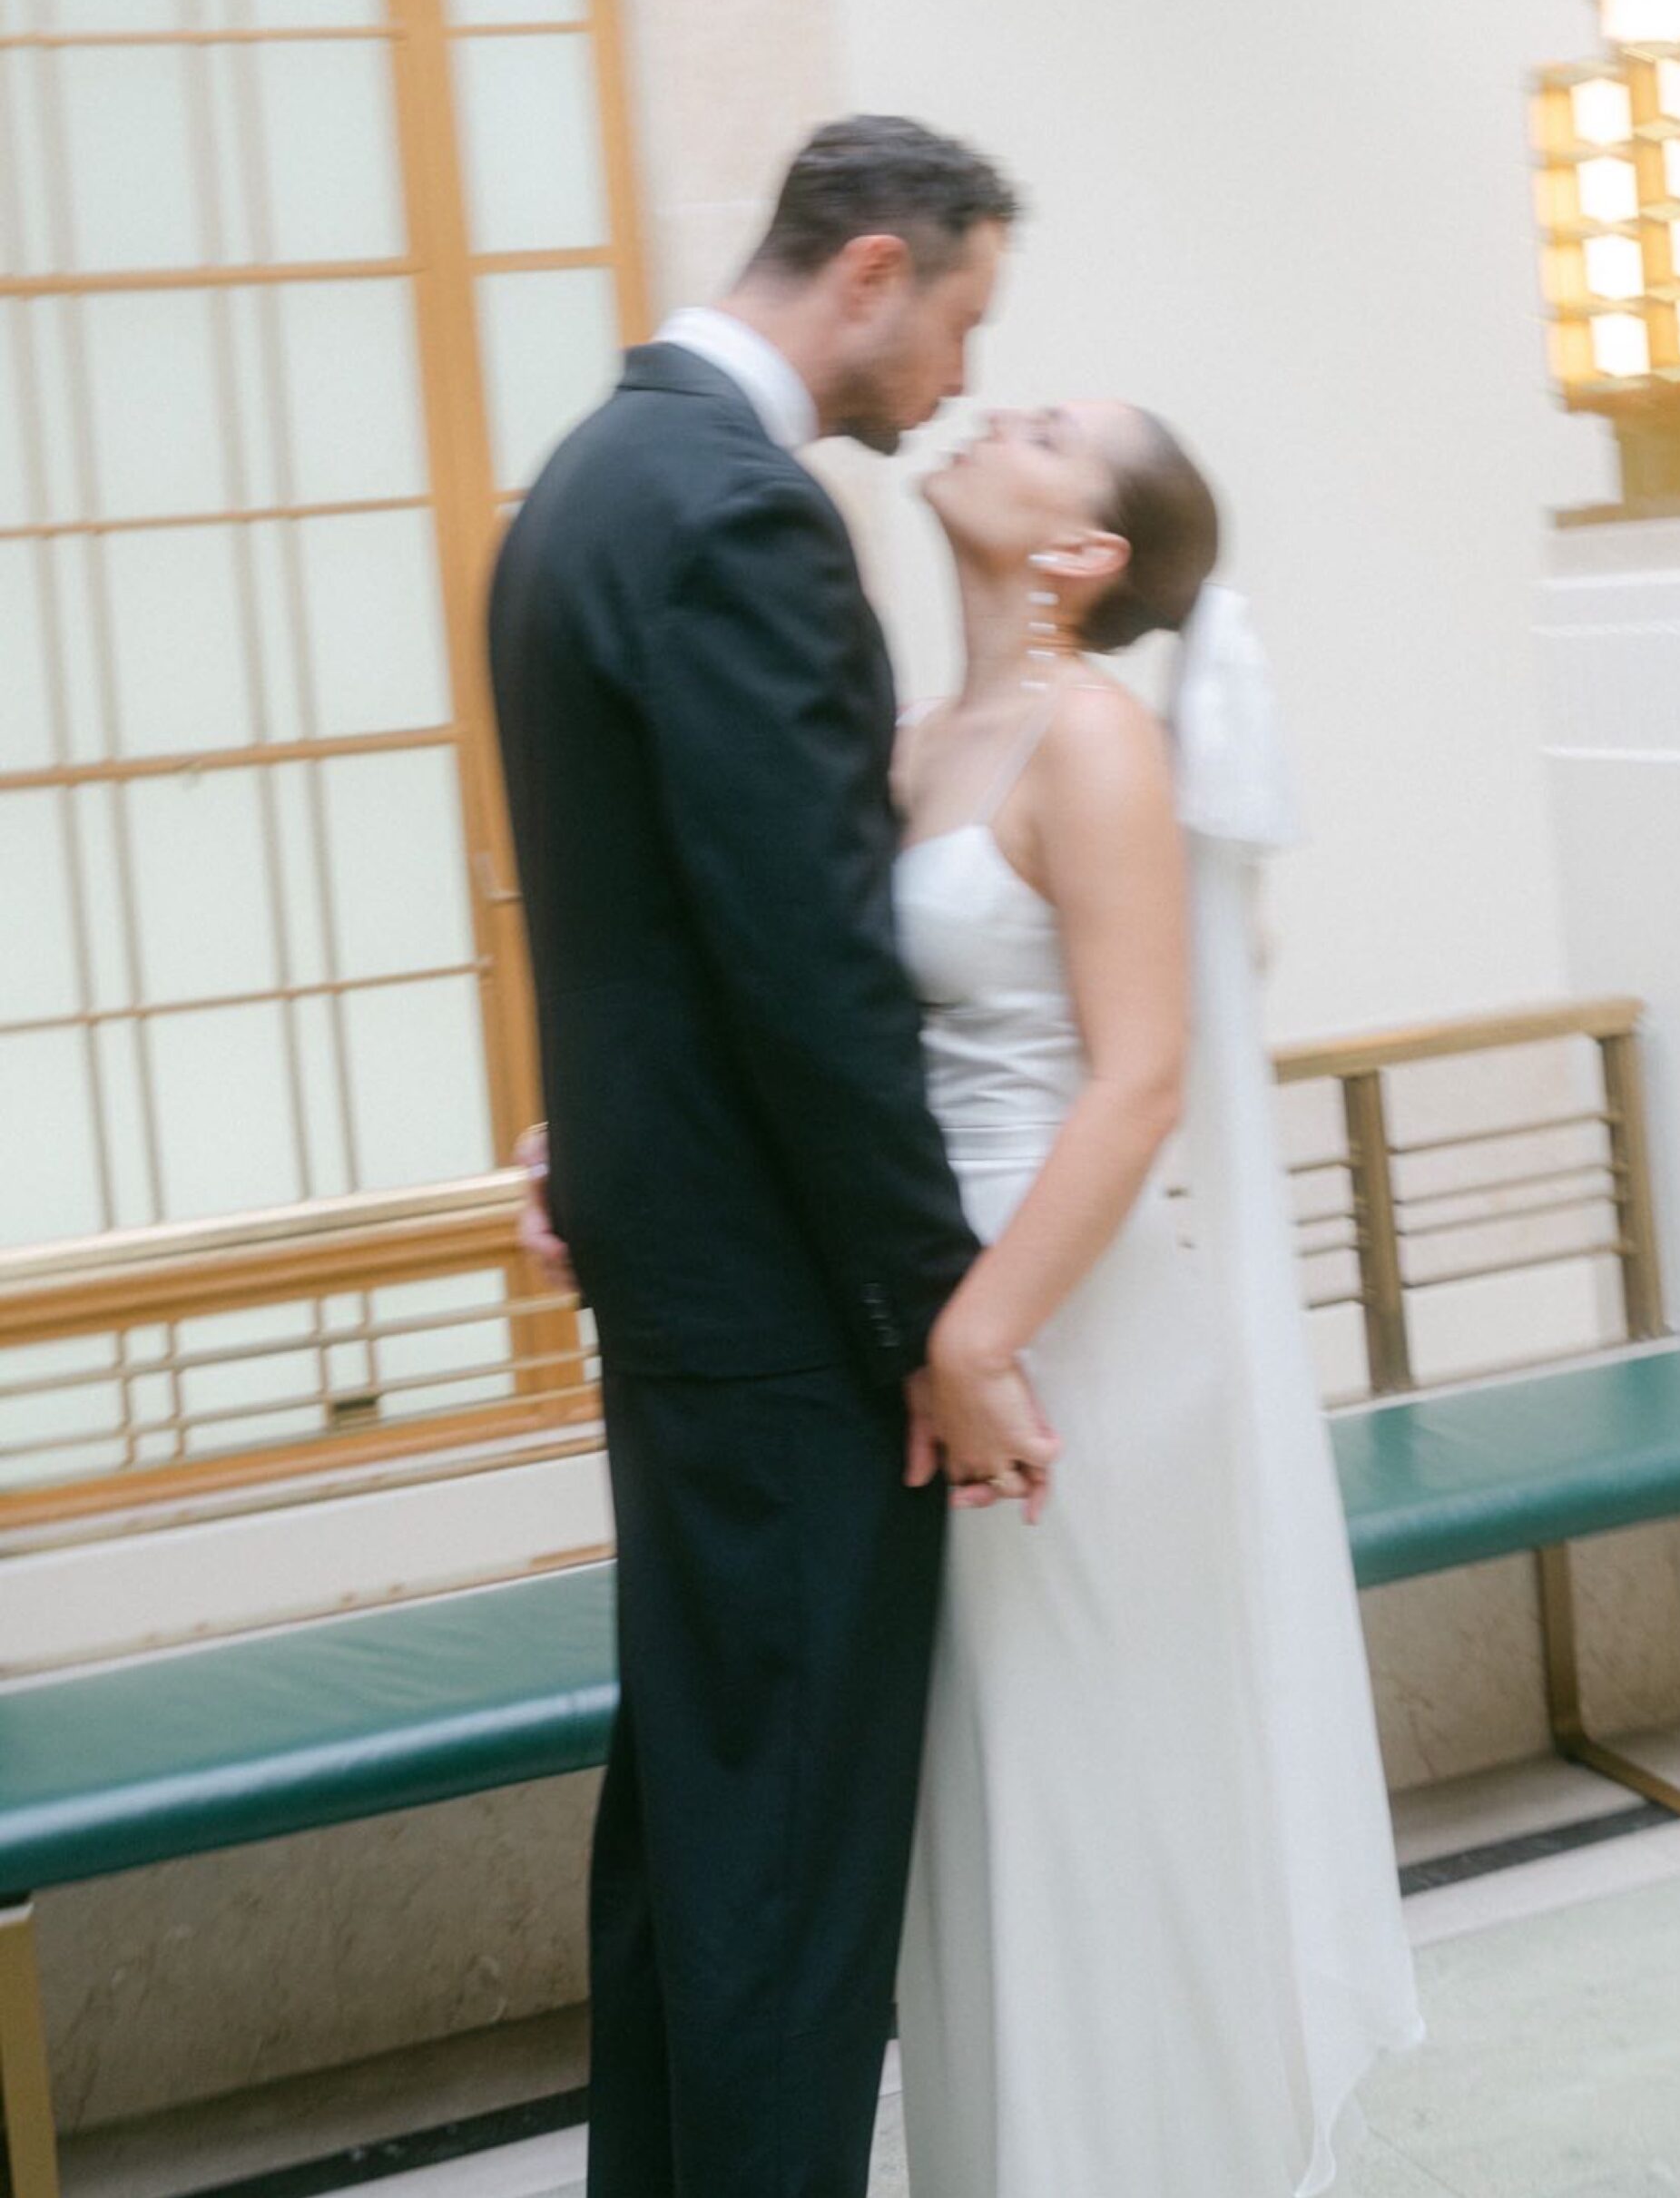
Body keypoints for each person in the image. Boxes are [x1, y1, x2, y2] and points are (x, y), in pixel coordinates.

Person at [487, 117, 1052, 2198]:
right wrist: (933, 1314)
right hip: (783, 1304)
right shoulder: (741, 507)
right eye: (964, 321)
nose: (960, 383)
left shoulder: (588, 480)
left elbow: (630, 915)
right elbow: (802, 956)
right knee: (789, 1878)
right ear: (877, 270)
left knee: (704, 1827)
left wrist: (591, 1129)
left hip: (683, 1265)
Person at [890, 402, 1422, 2195]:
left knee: (1099, 1802)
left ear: (1081, 554)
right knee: (993, 1818)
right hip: (941, 1333)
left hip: (1074, 1336)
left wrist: (980, 1336)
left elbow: (1137, 1081)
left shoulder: (1094, 736)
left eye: (1042, 430)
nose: (985, 414)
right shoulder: (915, 744)